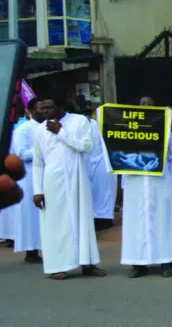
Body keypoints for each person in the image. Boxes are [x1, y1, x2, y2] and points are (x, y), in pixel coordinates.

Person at [31, 95, 104, 280]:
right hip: (52, 182)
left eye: (49, 107)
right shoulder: (39, 130)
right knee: (55, 224)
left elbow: (87, 147)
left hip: (77, 178)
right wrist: (37, 190)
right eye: (43, 108)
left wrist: (61, 132)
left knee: (83, 220)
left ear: (61, 106)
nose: (45, 112)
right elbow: (38, 163)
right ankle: (58, 266)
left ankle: (88, 264)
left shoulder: (79, 121)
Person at [121, 96, 172, 278]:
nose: (146, 107)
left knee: (163, 221)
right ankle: (138, 264)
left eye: (150, 104)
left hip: (159, 182)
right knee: (136, 222)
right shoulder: (126, 130)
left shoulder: (164, 130)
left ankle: (166, 261)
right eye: (143, 104)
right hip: (135, 182)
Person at [8, 98, 43, 263]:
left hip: (45, 174)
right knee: (30, 215)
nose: (44, 111)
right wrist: (43, 150)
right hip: (28, 176)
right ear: (30, 111)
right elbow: (20, 153)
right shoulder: (23, 130)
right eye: (40, 108)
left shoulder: (49, 127)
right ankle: (31, 251)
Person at [85, 111, 116, 230]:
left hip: (103, 160)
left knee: (104, 191)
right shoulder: (84, 125)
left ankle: (105, 219)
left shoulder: (98, 125)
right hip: (88, 160)